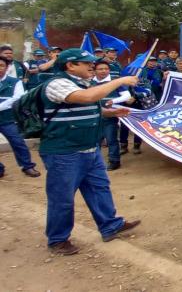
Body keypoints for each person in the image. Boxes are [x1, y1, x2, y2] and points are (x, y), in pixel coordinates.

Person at [40, 48, 141, 255]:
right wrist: (119, 81)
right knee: (63, 197)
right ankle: (58, 239)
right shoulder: (57, 84)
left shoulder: (84, 83)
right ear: (70, 66)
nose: (91, 67)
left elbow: (89, 107)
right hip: (64, 151)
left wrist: (110, 112)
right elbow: (86, 98)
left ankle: (110, 225)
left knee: (99, 188)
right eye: (86, 63)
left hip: (89, 148)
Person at [0, 56, 41, 178]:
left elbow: (17, 98)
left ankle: (28, 166)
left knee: (17, 142)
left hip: (8, 119)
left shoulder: (15, 82)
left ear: (7, 67)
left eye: (2, 65)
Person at [93, 60, 132, 171]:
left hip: (110, 117)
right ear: (95, 71)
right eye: (100, 69)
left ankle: (114, 161)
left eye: (106, 69)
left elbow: (127, 95)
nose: (103, 71)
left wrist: (114, 101)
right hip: (94, 117)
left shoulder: (114, 82)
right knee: (95, 141)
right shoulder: (90, 82)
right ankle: (94, 162)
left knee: (111, 140)